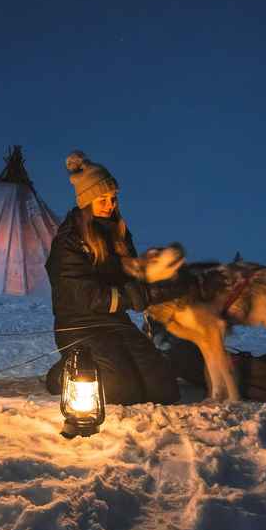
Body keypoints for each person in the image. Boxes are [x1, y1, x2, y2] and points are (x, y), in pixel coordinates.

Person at [44, 151, 195, 404]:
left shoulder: (119, 235)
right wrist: (142, 295)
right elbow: (87, 296)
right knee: (122, 391)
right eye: (102, 198)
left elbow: (132, 276)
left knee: (163, 389)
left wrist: (164, 279)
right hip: (79, 324)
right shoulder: (68, 241)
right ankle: (60, 374)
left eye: (112, 197)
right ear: (86, 201)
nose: (110, 204)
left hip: (116, 322)